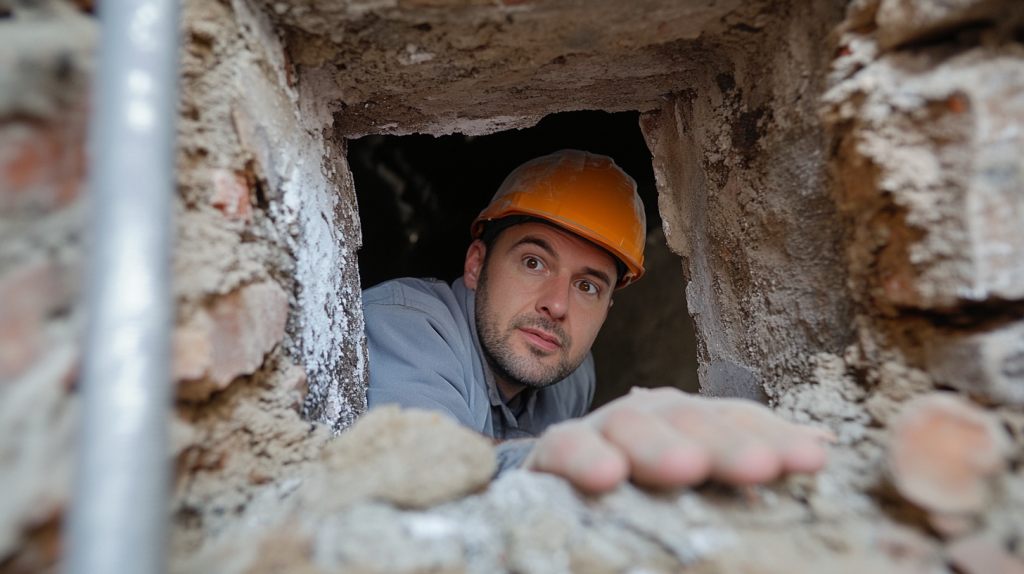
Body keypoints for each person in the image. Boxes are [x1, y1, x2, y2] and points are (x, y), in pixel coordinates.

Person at [362, 149, 832, 493]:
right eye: (533, 263)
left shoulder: (572, 376)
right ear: (475, 264)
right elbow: (422, 466)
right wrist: (562, 455)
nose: (557, 305)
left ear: (607, 308)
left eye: (587, 286)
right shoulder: (403, 324)